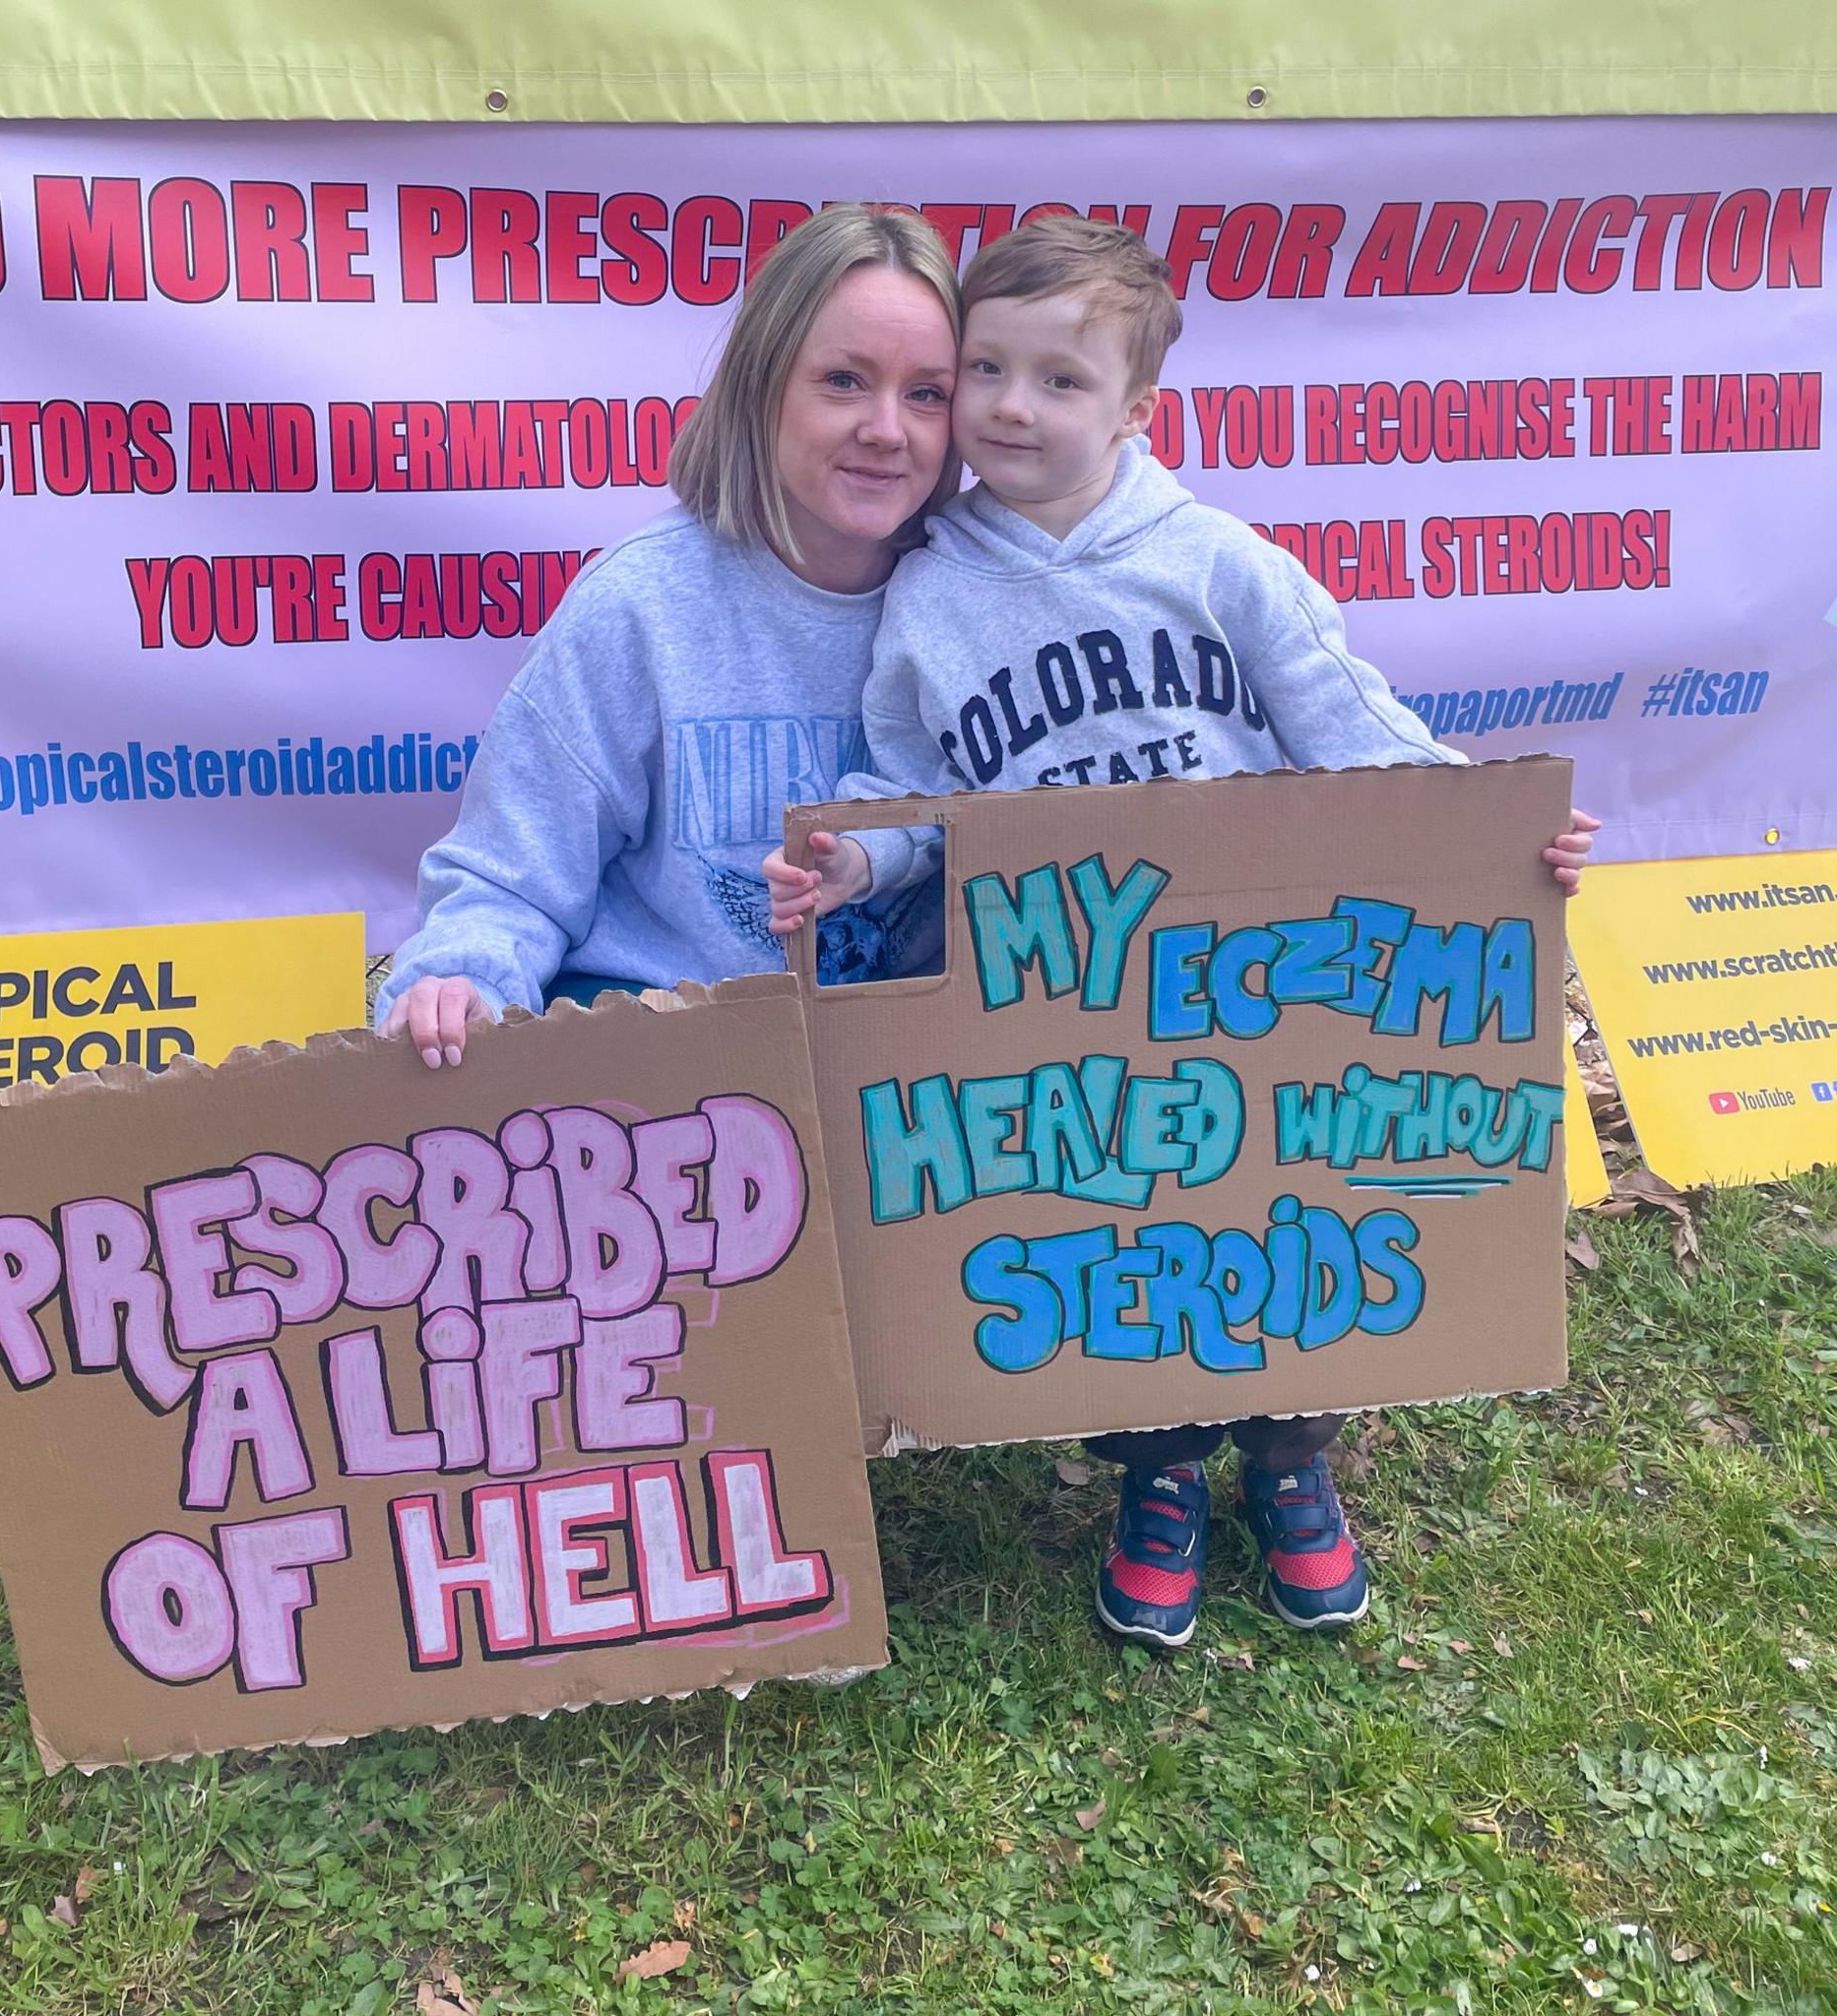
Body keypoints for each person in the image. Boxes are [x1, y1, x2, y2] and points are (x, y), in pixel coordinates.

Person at [764, 215, 1599, 1651]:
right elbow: (916, 792)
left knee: (1274, 1209)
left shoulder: (1219, 564)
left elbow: (1352, 724)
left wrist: (1484, 830)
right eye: (986, 370)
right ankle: (1154, 1476)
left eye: (1062, 380)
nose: (1014, 408)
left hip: (1250, 975)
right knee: (1121, 1234)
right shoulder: (929, 589)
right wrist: (859, 859)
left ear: (1137, 408)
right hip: (1066, 981)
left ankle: (1289, 1465)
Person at [373, 202, 963, 1060]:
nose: (885, 428)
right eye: (844, 380)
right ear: (764, 386)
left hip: (911, 1089)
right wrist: (459, 985)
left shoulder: (992, 605)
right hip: (663, 1082)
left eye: (926, 395)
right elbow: (511, 879)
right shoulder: (641, 604)